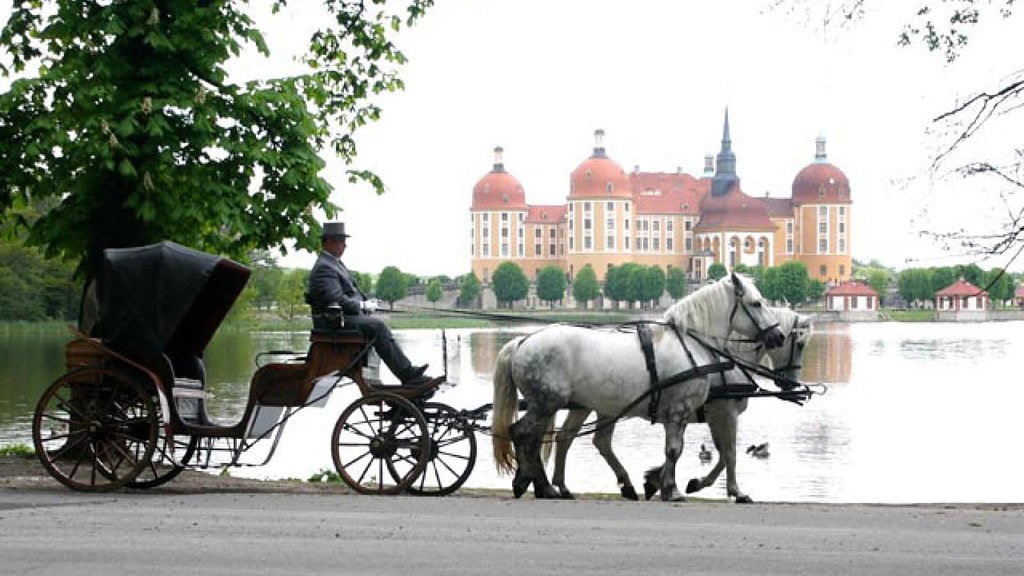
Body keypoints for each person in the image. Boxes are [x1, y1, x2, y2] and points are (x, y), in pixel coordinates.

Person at [306, 221, 438, 388]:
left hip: (343, 318)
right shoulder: (324, 267)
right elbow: (336, 298)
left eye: (344, 241)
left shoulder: (335, 263)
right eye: (341, 241)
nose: (345, 246)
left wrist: (368, 302)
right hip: (332, 322)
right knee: (376, 325)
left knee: (376, 324)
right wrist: (362, 306)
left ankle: (405, 373)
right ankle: (407, 374)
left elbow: (349, 293)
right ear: (329, 242)